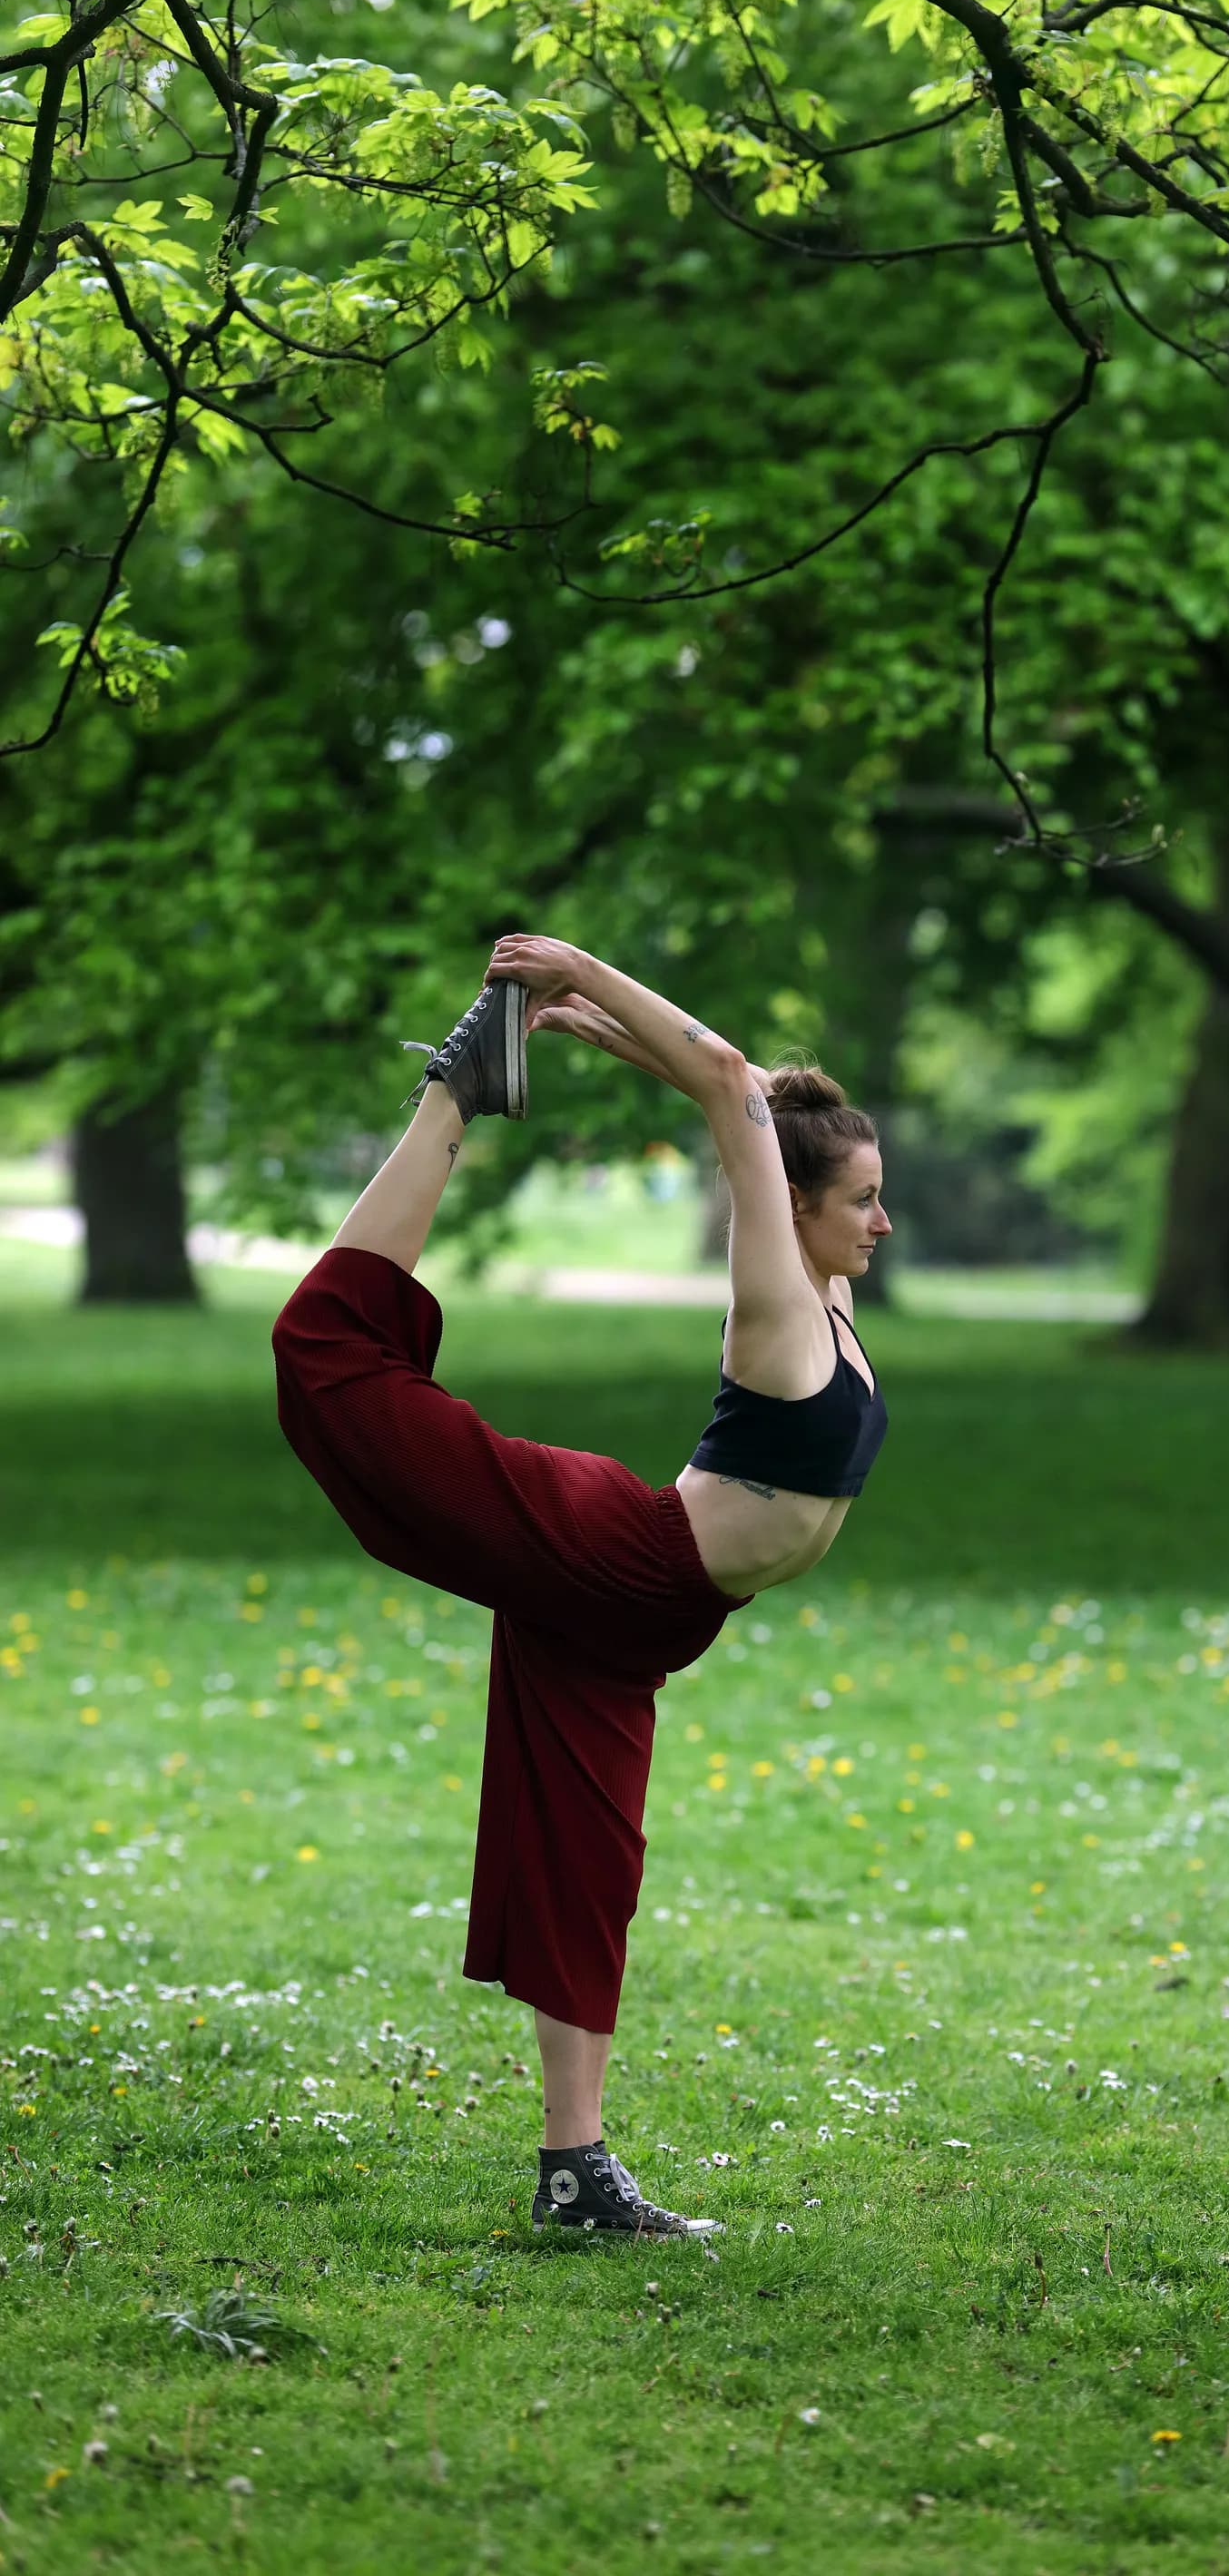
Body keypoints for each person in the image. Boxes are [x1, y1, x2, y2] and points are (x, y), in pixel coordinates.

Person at [271, 935, 890, 2240]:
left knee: (588, 1863)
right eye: (864, 1201)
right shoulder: (779, 1300)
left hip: (658, 1620)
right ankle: (454, 1091)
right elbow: (729, 1083)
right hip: (614, 1551)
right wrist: (582, 972)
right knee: (327, 1356)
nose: (882, 1221)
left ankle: (577, 2169)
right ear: (798, 1208)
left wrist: (605, 1040)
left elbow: (738, 1090)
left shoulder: (837, 1307)